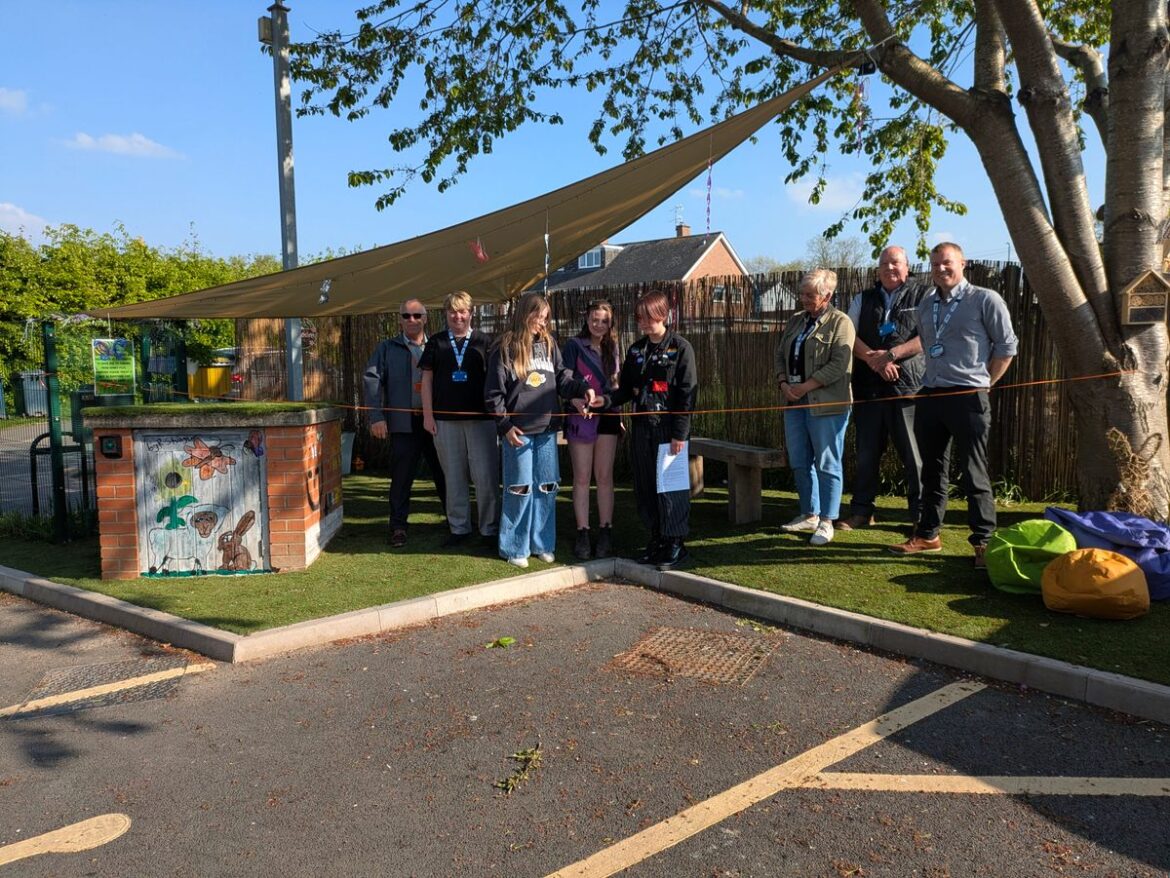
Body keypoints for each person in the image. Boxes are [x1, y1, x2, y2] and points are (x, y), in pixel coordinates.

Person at [889, 242, 1017, 567]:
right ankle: (928, 534)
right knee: (931, 470)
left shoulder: (985, 299)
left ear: (963, 263)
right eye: (935, 265)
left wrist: (986, 382)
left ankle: (984, 543)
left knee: (974, 472)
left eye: (946, 263)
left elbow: (1006, 347)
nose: (940, 269)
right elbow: (928, 345)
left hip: (968, 396)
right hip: (930, 394)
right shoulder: (927, 302)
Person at [486, 293, 593, 568]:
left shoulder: (549, 344)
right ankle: (514, 547)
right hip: (517, 432)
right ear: (525, 313)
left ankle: (542, 543)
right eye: (539, 316)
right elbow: (493, 394)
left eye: (546, 317)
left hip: (547, 429)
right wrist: (505, 425)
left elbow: (563, 379)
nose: (542, 322)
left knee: (547, 488)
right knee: (519, 488)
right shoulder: (505, 346)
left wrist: (581, 389)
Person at [603, 289, 697, 571]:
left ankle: (675, 544)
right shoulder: (636, 350)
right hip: (642, 426)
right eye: (639, 318)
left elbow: (687, 395)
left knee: (671, 488)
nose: (642, 322)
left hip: (669, 430)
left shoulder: (681, 348)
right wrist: (603, 400)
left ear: (662, 314)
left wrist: (680, 434)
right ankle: (656, 539)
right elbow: (624, 391)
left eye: (647, 317)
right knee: (645, 487)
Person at [839, 246, 928, 530]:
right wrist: (874, 361)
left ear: (907, 266)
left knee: (914, 458)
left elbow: (929, 335)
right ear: (877, 269)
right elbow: (848, 336)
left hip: (908, 389)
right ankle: (862, 512)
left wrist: (892, 355)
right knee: (866, 455)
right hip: (869, 389)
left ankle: (920, 517)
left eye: (896, 262)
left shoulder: (924, 295)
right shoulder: (863, 298)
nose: (890, 268)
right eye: (884, 263)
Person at [775, 268, 855, 547]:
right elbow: (780, 354)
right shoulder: (796, 320)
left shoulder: (841, 322)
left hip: (827, 404)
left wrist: (806, 386)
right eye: (802, 294)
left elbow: (839, 364)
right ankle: (809, 513)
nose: (804, 299)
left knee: (827, 462)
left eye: (810, 295)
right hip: (794, 401)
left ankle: (827, 520)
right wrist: (784, 384)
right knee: (799, 460)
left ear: (827, 295)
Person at [362, 298, 447, 547]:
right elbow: (371, 381)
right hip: (404, 423)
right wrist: (376, 417)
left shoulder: (439, 346)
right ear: (399, 319)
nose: (412, 320)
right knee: (401, 479)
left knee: (446, 475)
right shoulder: (387, 348)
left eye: (417, 315)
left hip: (437, 423)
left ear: (426, 318)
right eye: (407, 316)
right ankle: (398, 527)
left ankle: (457, 524)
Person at [420, 290, 500, 548]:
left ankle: (489, 529)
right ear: (446, 314)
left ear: (471, 313)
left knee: (485, 477)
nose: (458, 316)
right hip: (444, 422)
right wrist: (428, 416)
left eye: (462, 311)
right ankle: (459, 528)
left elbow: (497, 380)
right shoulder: (436, 342)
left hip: (482, 421)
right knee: (453, 478)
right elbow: (427, 380)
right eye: (453, 311)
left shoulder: (485, 341)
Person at [562, 300, 622, 560]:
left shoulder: (614, 348)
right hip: (581, 416)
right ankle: (583, 532)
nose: (599, 325)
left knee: (605, 476)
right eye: (594, 319)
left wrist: (614, 408)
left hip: (608, 415)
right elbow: (563, 381)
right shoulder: (573, 346)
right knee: (582, 478)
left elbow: (618, 387)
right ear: (586, 319)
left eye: (604, 321)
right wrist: (574, 400)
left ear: (611, 324)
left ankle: (606, 531)